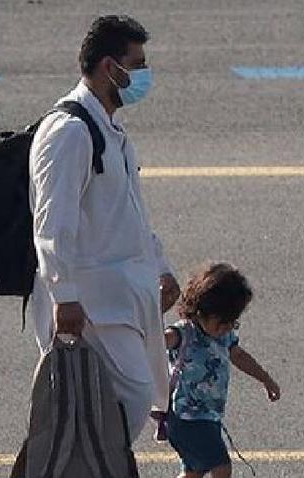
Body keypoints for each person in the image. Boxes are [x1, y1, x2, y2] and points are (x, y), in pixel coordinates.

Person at [28, 14, 179, 440]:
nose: (143, 74)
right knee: (131, 399)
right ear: (109, 67)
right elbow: (51, 224)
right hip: (91, 303)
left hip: (122, 295)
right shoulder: (70, 132)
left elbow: (130, 214)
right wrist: (65, 296)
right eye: (138, 63)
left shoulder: (111, 131)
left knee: (123, 403)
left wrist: (161, 268)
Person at [146, 263, 280, 478]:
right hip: (186, 417)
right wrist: (154, 312)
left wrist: (265, 378)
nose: (228, 328)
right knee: (221, 466)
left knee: (193, 472)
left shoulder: (224, 335)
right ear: (200, 311)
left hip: (206, 417)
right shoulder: (184, 333)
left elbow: (239, 356)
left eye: (234, 322)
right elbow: (155, 342)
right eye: (223, 322)